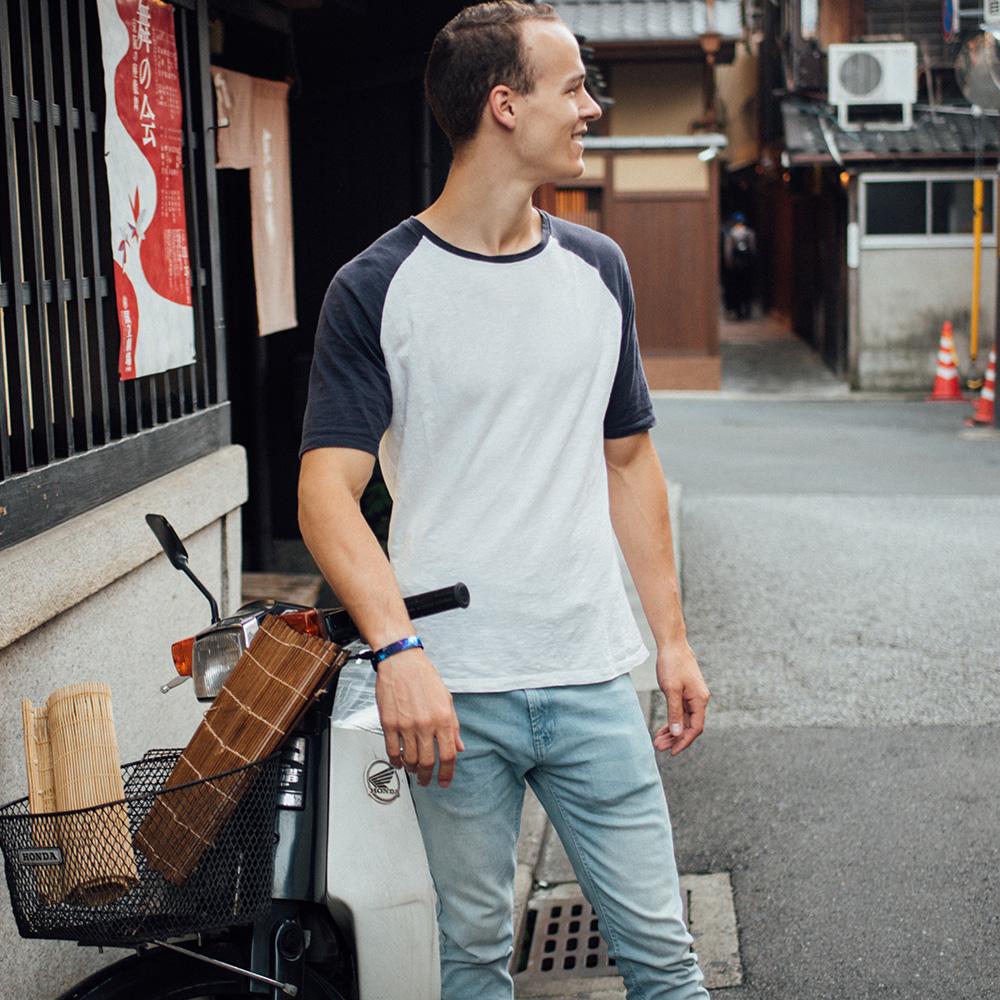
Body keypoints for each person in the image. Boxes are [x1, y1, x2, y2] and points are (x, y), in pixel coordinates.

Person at [297, 4, 711, 998]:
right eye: (573, 86)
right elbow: (326, 495)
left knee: (664, 959)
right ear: (502, 104)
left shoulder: (596, 271)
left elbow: (628, 463)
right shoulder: (378, 286)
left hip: (588, 673)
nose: (591, 107)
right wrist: (396, 651)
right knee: (474, 960)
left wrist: (672, 637)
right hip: (452, 690)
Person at [722, 211, 757, 320]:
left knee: (736, 288)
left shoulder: (731, 234)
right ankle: (747, 310)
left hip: (736, 266)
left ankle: (738, 312)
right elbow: (753, 249)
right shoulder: (749, 233)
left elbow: (728, 252)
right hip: (747, 265)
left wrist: (728, 265)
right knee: (747, 287)